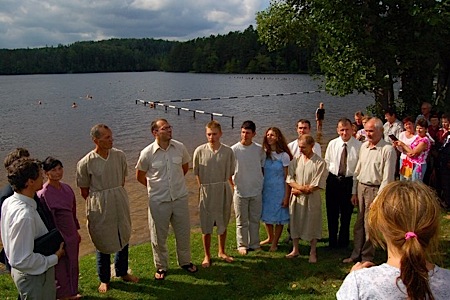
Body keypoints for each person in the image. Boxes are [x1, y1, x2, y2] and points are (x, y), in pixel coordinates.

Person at [337, 181, 450, 300]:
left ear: (381, 225)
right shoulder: (447, 282)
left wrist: (352, 282)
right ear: (433, 228)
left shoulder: (360, 284)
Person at [76, 124, 138, 293]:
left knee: (122, 233)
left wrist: (115, 194)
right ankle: (104, 278)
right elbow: (84, 191)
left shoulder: (119, 155)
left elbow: (122, 180)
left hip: (118, 198)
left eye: (111, 136)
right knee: (102, 238)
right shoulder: (85, 163)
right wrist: (101, 199)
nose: (112, 140)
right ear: (96, 140)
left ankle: (122, 271)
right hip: (99, 202)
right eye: (107, 138)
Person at [136, 119, 197, 280]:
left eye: (170, 127)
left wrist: (173, 185)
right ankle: (161, 267)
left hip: (179, 198)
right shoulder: (147, 153)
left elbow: (184, 168)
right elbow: (140, 176)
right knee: (158, 237)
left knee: (183, 233)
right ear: (155, 132)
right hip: (158, 202)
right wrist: (156, 189)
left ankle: (185, 262)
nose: (169, 130)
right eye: (165, 128)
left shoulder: (180, 147)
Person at [1, 158, 65, 299]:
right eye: (39, 174)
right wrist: (54, 258)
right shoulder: (25, 216)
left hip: (27, 274)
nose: (43, 176)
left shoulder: (9, 202)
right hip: (34, 277)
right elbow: (22, 260)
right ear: (30, 182)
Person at [343, 117, 396, 264]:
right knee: (359, 223)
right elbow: (357, 171)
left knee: (369, 225)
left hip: (375, 190)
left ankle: (367, 257)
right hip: (361, 187)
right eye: (366, 131)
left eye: (371, 131)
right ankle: (355, 254)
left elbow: (388, 178)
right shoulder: (364, 146)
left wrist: (379, 198)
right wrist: (354, 191)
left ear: (381, 131)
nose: (368, 134)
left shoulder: (388, 150)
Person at [193, 120, 235, 268]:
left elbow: (231, 172)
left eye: (214, 134)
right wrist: (203, 189)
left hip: (223, 189)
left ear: (220, 134)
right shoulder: (199, 151)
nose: (212, 137)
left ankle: (222, 251)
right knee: (206, 224)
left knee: (223, 221)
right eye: (209, 134)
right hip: (206, 190)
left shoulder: (228, 151)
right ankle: (207, 255)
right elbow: (196, 172)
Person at [37, 157, 81, 300]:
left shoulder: (67, 188)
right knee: (60, 265)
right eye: (53, 170)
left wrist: (76, 231)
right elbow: (48, 219)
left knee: (73, 262)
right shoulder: (43, 194)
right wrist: (56, 238)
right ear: (46, 173)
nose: (57, 173)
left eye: (59, 169)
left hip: (71, 232)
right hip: (58, 234)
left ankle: (73, 291)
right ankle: (63, 294)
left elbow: (73, 210)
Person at [285, 135, 328, 262]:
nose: (301, 150)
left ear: (312, 146)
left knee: (312, 221)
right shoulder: (295, 161)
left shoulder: (320, 162)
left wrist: (300, 190)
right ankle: (295, 249)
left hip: (312, 198)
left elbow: (317, 183)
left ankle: (313, 251)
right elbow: (289, 178)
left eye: (303, 147)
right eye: (299, 147)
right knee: (295, 221)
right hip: (297, 199)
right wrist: (299, 188)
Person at [324, 118, 361, 249]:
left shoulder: (359, 146)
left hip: (349, 182)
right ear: (337, 130)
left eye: (347, 130)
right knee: (332, 212)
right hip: (333, 180)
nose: (344, 133)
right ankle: (332, 241)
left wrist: (354, 192)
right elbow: (327, 162)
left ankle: (344, 241)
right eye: (342, 130)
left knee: (346, 214)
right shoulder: (332, 144)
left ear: (352, 129)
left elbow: (358, 170)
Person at [231, 120, 265, 255]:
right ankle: (242, 244)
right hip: (240, 190)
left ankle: (255, 243)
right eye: (243, 132)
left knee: (254, 219)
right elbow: (229, 171)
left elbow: (262, 168)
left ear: (254, 134)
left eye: (248, 133)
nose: (245, 135)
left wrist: (259, 182)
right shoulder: (234, 150)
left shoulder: (259, 150)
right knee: (241, 221)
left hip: (256, 190)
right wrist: (233, 184)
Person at [260, 127, 293, 251]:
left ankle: (275, 242)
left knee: (279, 218)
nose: (269, 137)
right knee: (266, 215)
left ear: (278, 137)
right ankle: (270, 237)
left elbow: (287, 177)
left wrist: (286, 196)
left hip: (279, 189)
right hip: (266, 189)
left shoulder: (284, 156)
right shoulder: (264, 154)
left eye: (272, 135)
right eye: (268, 135)